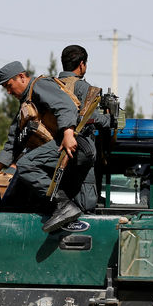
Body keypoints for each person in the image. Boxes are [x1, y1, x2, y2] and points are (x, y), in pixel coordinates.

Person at [0, 60, 83, 233]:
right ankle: (57, 207)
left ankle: (63, 204)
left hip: (73, 142)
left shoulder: (39, 85)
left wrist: (67, 134)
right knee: (24, 172)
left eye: (9, 85)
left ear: (21, 77)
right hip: (62, 144)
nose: (8, 91)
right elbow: (14, 140)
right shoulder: (26, 102)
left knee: (26, 164)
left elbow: (65, 106)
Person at [56, 44, 112, 213]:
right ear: (81, 64)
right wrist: (109, 118)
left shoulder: (52, 84)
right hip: (79, 151)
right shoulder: (83, 87)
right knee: (87, 203)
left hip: (53, 148)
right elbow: (92, 117)